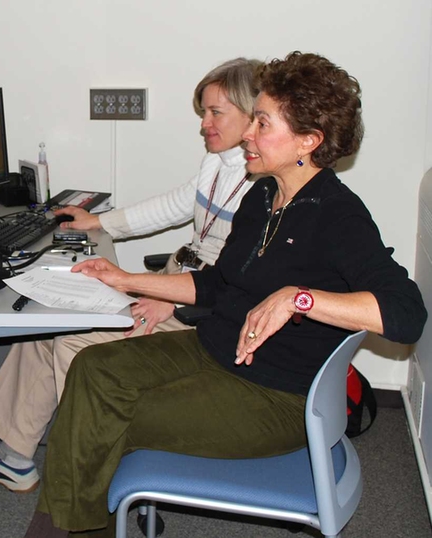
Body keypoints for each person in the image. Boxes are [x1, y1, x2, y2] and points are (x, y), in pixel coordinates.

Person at [24, 52, 427, 538]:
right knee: (92, 370)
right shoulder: (262, 196)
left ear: (308, 141)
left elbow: (407, 313)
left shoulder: (338, 216)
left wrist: (299, 298)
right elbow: (215, 286)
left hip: (274, 395)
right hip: (214, 348)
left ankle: (62, 532)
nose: (248, 135)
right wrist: (123, 277)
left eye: (262, 122)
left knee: (105, 419)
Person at [0, 58, 263, 493]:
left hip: (200, 309)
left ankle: (102, 468)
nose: (205, 123)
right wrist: (98, 223)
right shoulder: (218, 162)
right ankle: (15, 455)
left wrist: (175, 300)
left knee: (72, 344)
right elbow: (172, 206)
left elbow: (237, 280)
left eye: (216, 112)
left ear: (251, 114)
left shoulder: (262, 185)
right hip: (180, 284)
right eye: (203, 111)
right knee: (44, 321)